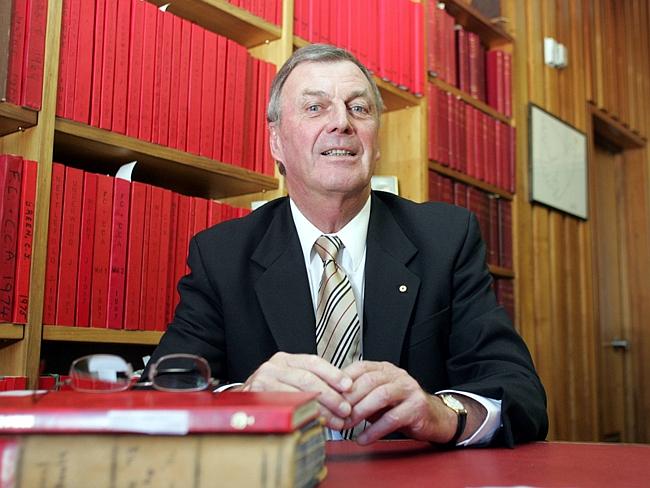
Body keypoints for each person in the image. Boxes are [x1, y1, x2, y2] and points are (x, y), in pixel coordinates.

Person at [147, 44, 548, 447]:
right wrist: (243, 400)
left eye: (359, 108)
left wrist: (442, 414)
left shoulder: (446, 239)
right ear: (276, 142)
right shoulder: (221, 255)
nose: (342, 123)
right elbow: (159, 394)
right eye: (315, 108)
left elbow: (520, 395)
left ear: (376, 142)